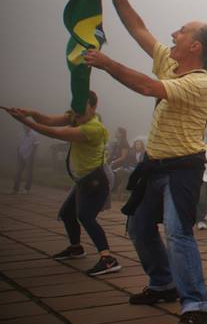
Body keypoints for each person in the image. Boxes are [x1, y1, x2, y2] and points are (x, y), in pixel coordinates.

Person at [82, 0, 207, 324]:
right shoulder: (171, 62)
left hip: (181, 169)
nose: (173, 34)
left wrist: (107, 63)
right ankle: (162, 284)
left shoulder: (199, 81)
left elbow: (146, 87)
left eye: (181, 31)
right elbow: (138, 28)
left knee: (177, 234)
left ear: (197, 47)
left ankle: (197, 309)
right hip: (154, 164)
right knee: (139, 228)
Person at [3, 93, 121, 277]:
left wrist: (24, 121)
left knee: (86, 216)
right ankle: (76, 248)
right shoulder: (77, 116)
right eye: (75, 106)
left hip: (97, 178)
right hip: (84, 178)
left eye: (82, 107)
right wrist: (30, 113)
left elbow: (54, 132)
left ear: (93, 107)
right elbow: (50, 121)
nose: (77, 112)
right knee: (67, 213)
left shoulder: (94, 128)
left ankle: (108, 259)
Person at [12, 124, 39, 194]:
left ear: (29, 126)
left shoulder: (34, 134)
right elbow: (19, 144)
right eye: (24, 126)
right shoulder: (21, 133)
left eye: (27, 126)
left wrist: (31, 155)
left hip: (29, 155)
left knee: (29, 173)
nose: (25, 127)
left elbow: (35, 145)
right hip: (21, 155)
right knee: (18, 172)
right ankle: (15, 189)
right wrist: (18, 152)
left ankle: (26, 189)